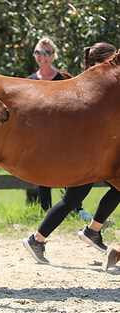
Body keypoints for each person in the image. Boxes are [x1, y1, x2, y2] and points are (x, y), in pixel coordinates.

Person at [22, 42, 119, 264]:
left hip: (95, 154)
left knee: (73, 198)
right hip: (89, 155)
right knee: (73, 198)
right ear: (98, 63)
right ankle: (89, 231)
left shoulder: (101, 86)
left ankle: (39, 240)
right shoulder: (95, 88)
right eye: (112, 61)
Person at [25, 37, 92, 219]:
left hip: (63, 136)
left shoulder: (63, 78)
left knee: (69, 172)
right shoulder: (29, 81)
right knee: (42, 174)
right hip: (39, 136)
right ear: (34, 55)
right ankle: (45, 212)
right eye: (39, 52)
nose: (42, 56)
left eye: (47, 52)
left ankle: (76, 210)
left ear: (53, 55)